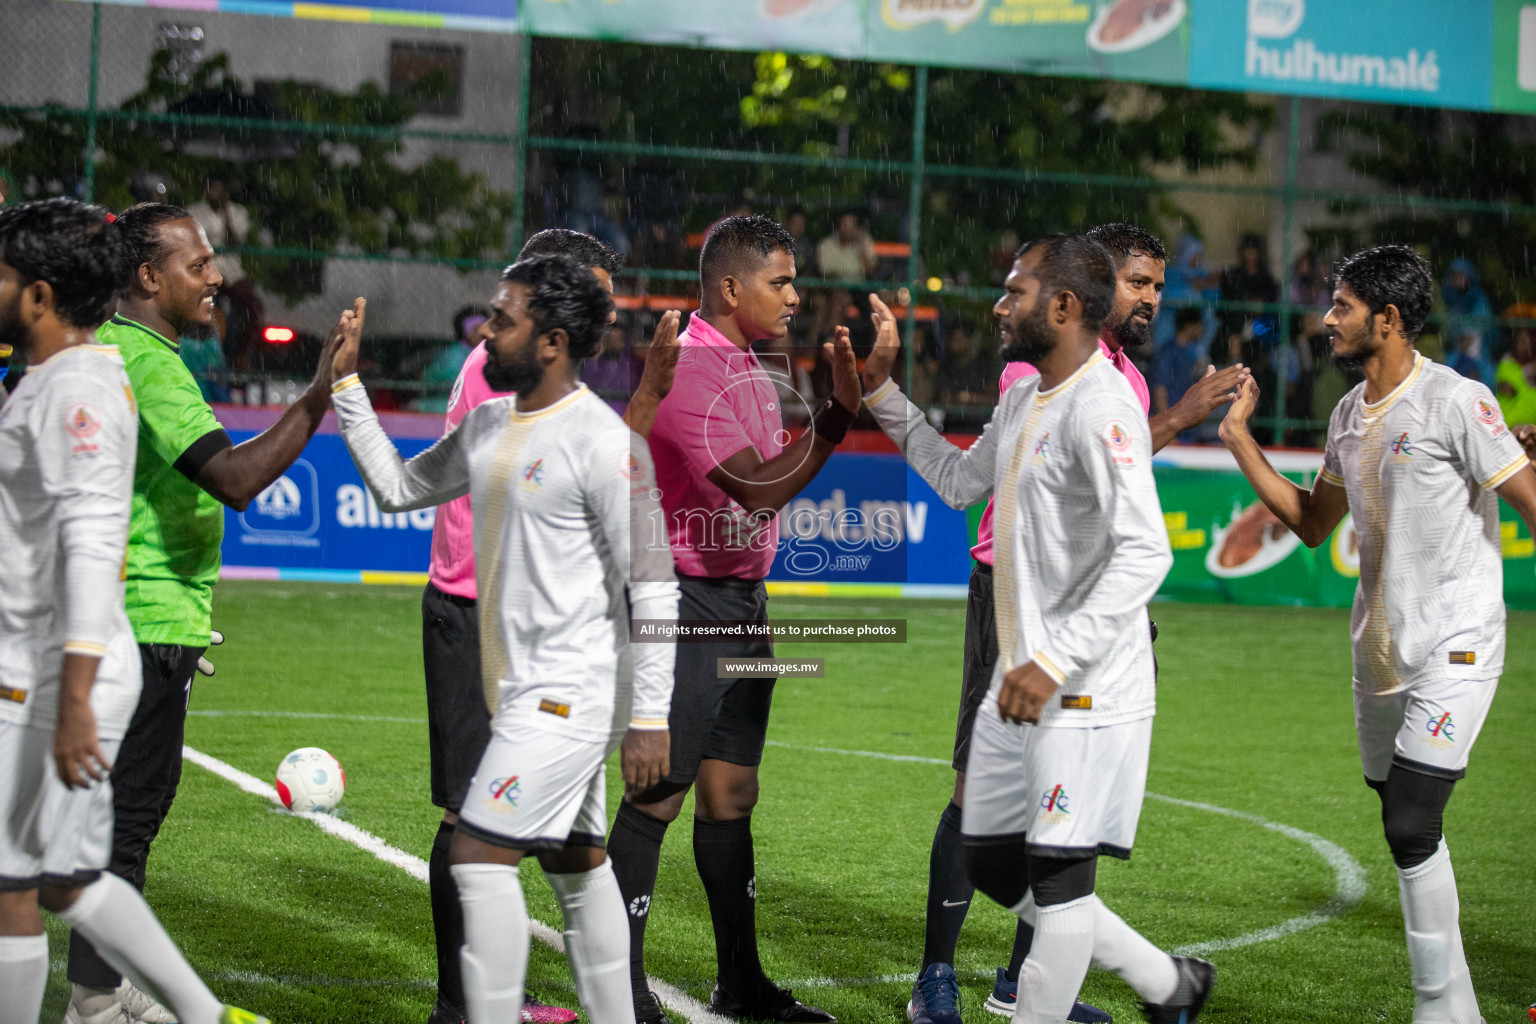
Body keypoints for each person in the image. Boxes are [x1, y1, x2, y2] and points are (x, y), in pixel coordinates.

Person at [894, 223, 1247, 1024]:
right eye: (1138, 282)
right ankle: (1164, 982)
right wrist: (880, 393)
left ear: (1060, 302)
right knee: (990, 854)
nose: (998, 303)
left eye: (1013, 289)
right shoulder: (1032, 384)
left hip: (1077, 669)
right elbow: (957, 481)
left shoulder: (1108, 396)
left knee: (1057, 879)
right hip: (1019, 631)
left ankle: (1031, 998)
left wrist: (1055, 661)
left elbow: (1143, 548)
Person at [330, 252, 680, 1024]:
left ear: (552, 341)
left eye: (503, 318)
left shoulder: (603, 443)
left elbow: (654, 585)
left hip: (569, 701)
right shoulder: (489, 425)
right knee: (580, 871)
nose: (485, 330)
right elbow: (397, 489)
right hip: (516, 695)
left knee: (478, 857)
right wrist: (347, 389)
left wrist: (650, 716)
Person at [1218, 245, 1536, 1024]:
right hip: (1380, 656)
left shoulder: (1458, 400)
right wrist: (1237, 440)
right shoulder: (1345, 414)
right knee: (1404, 822)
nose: (1327, 319)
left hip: (1459, 643)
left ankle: (1437, 1011)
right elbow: (1311, 520)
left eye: (1343, 307)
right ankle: (1459, 1008)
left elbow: (1529, 498)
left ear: (1387, 320)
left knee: (1410, 821)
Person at [63, 202, 347, 1024]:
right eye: (199, 263)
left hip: (140, 619)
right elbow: (233, 477)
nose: (217, 276)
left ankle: (99, 991)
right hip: (143, 628)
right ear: (148, 278)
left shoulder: (107, 351)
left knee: (103, 823)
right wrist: (319, 395)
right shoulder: (147, 362)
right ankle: (96, 1001)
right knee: (125, 823)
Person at [0, 197, 270, 1024]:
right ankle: (201, 1013)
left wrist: (75, 695)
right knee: (75, 878)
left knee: (16, 884)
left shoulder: (82, 388)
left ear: (40, 297)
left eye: (3, 276)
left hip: (53, 670)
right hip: (60, 662)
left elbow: (90, 545)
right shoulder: (61, 375)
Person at [608, 214, 861, 1024]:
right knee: (659, 793)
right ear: (729, 287)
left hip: (742, 605)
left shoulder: (750, 369)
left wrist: (820, 421)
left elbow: (769, 475)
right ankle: (614, 986)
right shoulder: (691, 370)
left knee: (731, 792)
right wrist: (834, 422)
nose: (796, 295)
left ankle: (739, 984)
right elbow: (755, 489)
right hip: (683, 603)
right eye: (780, 281)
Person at [186, 173, 263, 367]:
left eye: (219, 189)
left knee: (253, 307)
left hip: (231, 273)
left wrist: (226, 212)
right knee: (202, 311)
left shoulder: (237, 212)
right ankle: (205, 357)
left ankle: (241, 354)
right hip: (205, 273)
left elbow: (235, 242)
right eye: (212, 189)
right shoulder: (194, 211)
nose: (215, 193)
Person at [415, 306, 489, 414]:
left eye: (484, 328)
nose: (481, 333)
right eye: (475, 329)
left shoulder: (491, 352)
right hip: (443, 407)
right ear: (465, 332)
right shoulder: (452, 357)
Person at [1441, 258, 1494, 387]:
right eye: (1455, 276)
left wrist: (1469, 336)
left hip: (1477, 350)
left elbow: (1484, 325)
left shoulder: (1478, 298)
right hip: (1457, 349)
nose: (1458, 279)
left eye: (1461, 275)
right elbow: (1449, 326)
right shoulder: (1450, 299)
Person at [1152, 308, 1207, 425]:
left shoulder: (1187, 352)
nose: (1202, 329)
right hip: (1173, 424)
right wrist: (1167, 425)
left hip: (1182, 423)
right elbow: (1160, 389)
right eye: (1199, 325)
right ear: (1189, 326)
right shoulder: (1168, 352)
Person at [1496, 310, 1536, 427]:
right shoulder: (1506, 362)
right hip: (1509, 429)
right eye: (1521, 338)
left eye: (1528, 338)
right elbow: (1507, 389)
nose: (1525, 342)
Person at [816, 210, 877, 283]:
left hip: (858, 290)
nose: (848, 229)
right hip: (831, 289)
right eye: (844, 225)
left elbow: (871, 270)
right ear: (838, 226)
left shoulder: (864, 243)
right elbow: (823, 273)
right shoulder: (826, 245)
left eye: (851, 225)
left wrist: (863, 245)